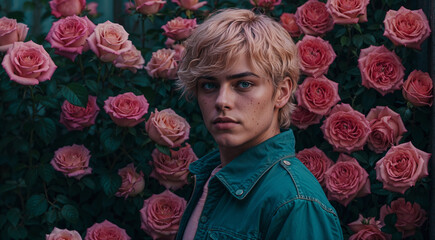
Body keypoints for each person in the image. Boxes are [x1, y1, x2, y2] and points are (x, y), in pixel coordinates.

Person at [175, 8, 343, 240]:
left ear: (282, 92)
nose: (222, 101)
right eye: (209, 85)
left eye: (243, 84)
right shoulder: (210, 179)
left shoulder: (295, 202)